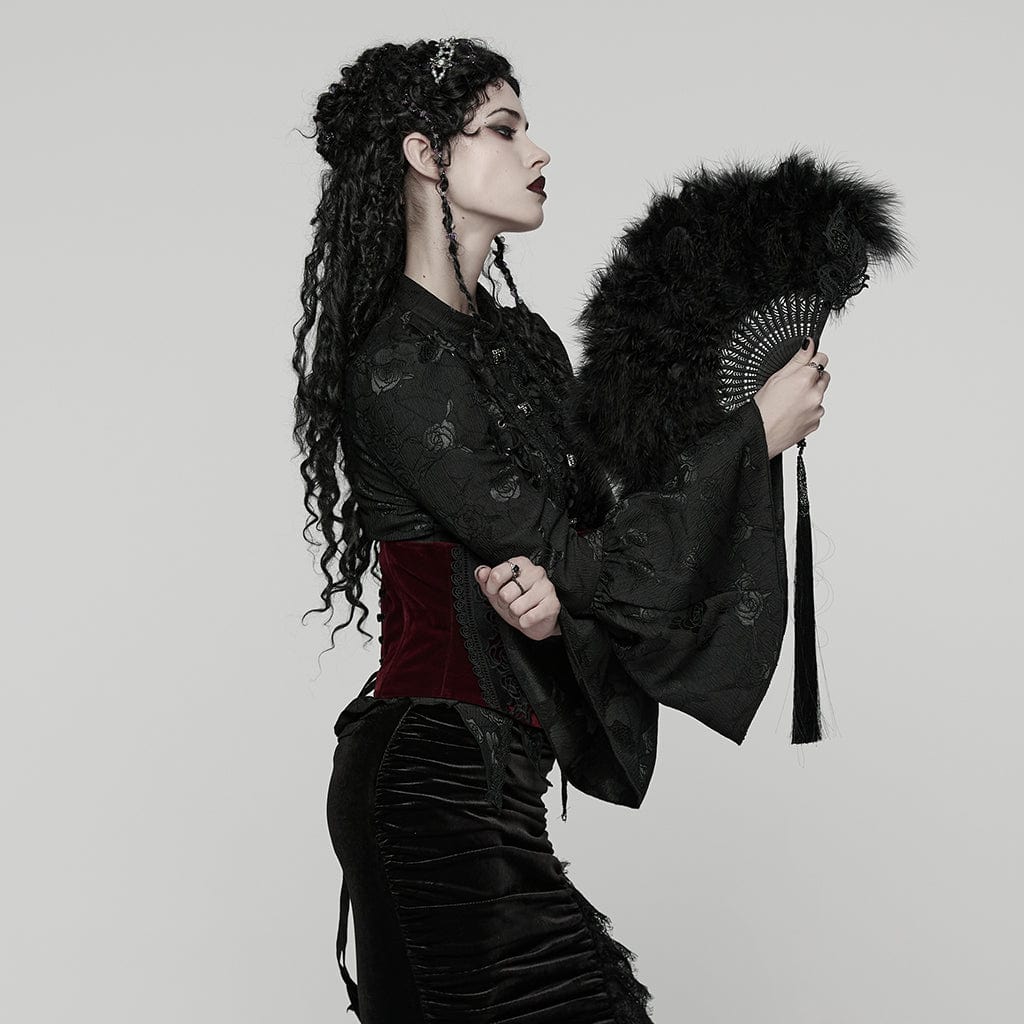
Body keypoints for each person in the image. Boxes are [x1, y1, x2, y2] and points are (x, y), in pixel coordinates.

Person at [292, 37, 830, 1024]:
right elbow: (584, 559)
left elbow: (601, 553)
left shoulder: (522, 347)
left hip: (501, 781)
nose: (538, 151)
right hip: (432, 785)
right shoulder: (397, 364)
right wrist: (751, 436)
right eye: (503, 129)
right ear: (424, 154)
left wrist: (551, 619)